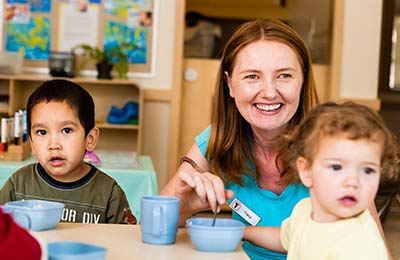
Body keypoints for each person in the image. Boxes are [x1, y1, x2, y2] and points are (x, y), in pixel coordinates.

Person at [161, 19, 389, 259]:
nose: (269, 92)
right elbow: (155, 221)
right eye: (252, 76)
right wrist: (183, 205)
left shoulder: (332, 145)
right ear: (230, 85)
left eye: (284, 76)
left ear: (302, 80)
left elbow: (377, 248)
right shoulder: (220, 139)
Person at [243, 102, 399, 259]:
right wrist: (245, 232)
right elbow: (285, 238)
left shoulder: (359, 244)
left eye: (368, 170)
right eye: (337, 167)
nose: (353, 182)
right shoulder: (303, 210)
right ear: (306, 171)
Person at [0, 79, 136, 225]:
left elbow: (127, 241)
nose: (54, 145)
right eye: (41, 132)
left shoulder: (109, 193)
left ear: (89, 139)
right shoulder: (18, 184)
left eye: (66, 130)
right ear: (32, 144)